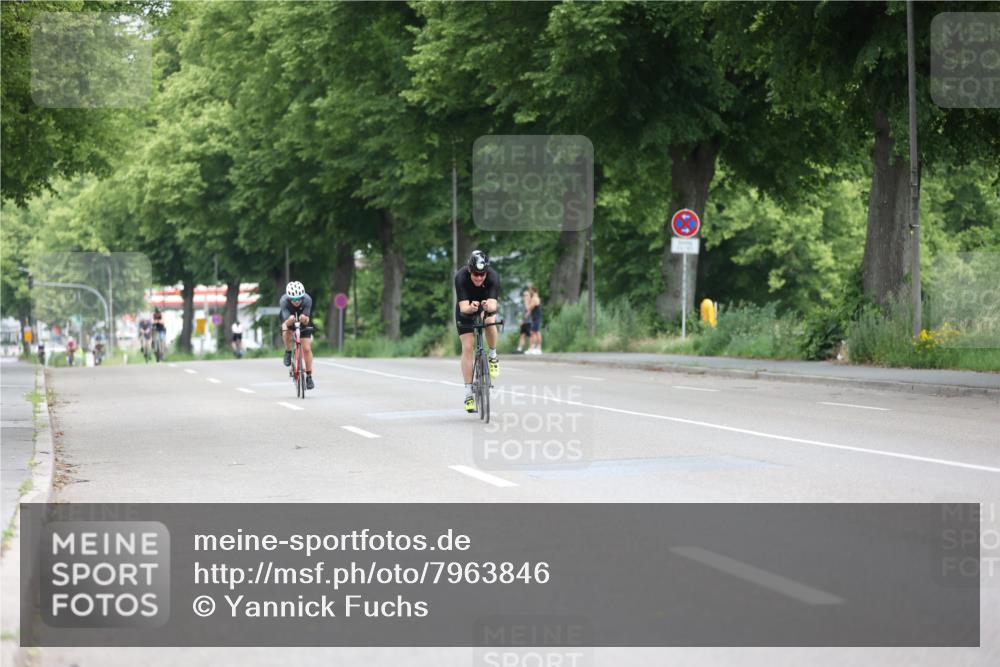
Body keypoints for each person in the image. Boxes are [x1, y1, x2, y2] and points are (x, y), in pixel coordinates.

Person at [455, 249, 500, 413]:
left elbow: (494, 305)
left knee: (489, 321)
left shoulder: (493, 276)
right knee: (467, 347)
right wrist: (471, 308)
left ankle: (493, 356)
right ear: (469, 270)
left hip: (485, 302)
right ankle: (468, 394)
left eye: (482, 274)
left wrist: (488, 307)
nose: (479, 278)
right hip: (466, 306)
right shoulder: (460, 277)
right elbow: (463, 307)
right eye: (476, 274)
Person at [280, 281, 315, 390]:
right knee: (286, 329)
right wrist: (289, 321)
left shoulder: (307, 300)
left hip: (303, 319)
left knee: (307, 349)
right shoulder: (284, 301)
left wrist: (304, 319)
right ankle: (288, 351)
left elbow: (307, 319)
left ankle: (309, 376)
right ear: (289, 298)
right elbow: (286, 321)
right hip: (288, 318)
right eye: (294, 299)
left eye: (299, 298)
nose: (297, 301)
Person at [527, 285, 543, 355]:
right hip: (535, 317)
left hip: (537, 317)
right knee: (534, 332)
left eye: (530, 290)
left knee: (536, 332)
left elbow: (530, 307)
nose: (529, 291)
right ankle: (534, 347)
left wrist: (527, 300)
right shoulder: (534, 297)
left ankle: (538, 348)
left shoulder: (535, 298)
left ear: (533, 290)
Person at [516, 289, 532, 353]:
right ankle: (519, 348)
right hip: (524, 322)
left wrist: (526, 302)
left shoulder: (531, 302)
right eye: (524, 295)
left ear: (529, 296)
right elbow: (521, 313)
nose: (525, 296)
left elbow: (528, 311)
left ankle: (531, 348)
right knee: (522, 335)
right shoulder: (522, 304)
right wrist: (520, 321)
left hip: (530, 322)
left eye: (526, 295)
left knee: (530, 335)